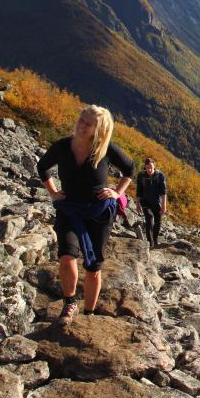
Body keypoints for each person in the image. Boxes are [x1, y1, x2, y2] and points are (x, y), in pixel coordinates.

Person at [36, 105, 134, 325]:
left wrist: (117, 193)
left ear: (97, 129)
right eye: (81, 119)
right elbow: (42, 167)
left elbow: (130, 169)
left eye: (87, 123)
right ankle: (70, 302)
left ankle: (89, 313)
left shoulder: (106, 149)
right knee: (67, 256)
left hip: (98, 213)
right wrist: (53, 193)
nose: (81, 125)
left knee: (93, 267)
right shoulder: (63, 146)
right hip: (69, 208)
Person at [134, 157, 167, 248]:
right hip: (145, 202)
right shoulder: (141, 175)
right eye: (147, 167)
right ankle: (150, 242)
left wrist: (164, 206)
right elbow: (138, 191)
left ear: (154, 166)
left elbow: (164, 192)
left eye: (151, 167)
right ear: (145, 167)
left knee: (158, 221)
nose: (149, 170)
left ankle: (155, 238)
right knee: (149, 218)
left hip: (156, 202)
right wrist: (137, 204)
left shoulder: (160, 175)